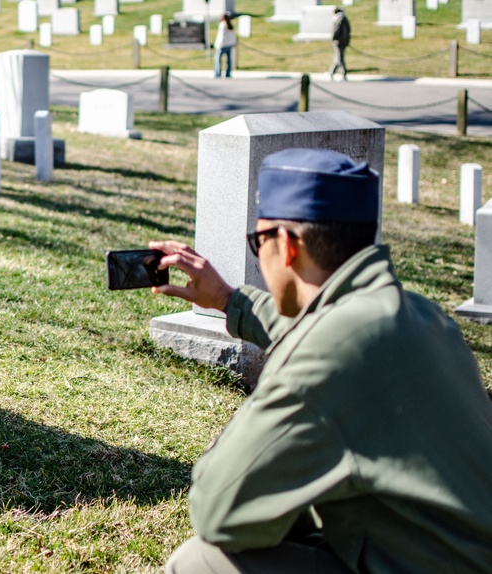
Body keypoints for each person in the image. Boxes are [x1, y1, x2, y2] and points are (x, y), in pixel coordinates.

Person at [153, 149, 492, 573]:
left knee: (200, 562)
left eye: (258, 243)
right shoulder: (422, 316)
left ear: (288, 246)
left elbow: (218, 513)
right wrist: (228, 300)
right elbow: (330, 325)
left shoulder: (324, 357)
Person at [330, 7, 351, 81]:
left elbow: (336, 30)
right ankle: (331, 72)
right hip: (344, 41)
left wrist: (333, 38)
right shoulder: (344, 18)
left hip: (339, 41)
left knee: (339, 58)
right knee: (338, 57)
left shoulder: (338, 19)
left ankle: (343, 73)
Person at [213, 15, 236, 79]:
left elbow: (221, 35)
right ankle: (228, 73)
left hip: (222, 45)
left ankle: (217, 73)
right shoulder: (230, 25)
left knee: (218, 59)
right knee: (228, 60)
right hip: (229, 44)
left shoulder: (222, 25)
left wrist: (217, 44)